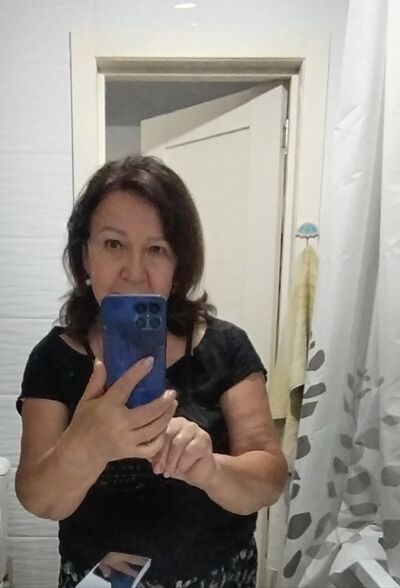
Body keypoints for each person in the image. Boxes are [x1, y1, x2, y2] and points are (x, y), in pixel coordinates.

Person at [15, 155, 287, 588]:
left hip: (219, 575)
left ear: (178, 264)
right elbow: (38, 499)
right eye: (113, 244)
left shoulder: (226, 346)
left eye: (156, 249)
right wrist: (86, 445)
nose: (134, 271)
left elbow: (270, 479)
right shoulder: (53, 359)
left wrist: (210, 469)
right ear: (85, 256)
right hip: (100, 578)